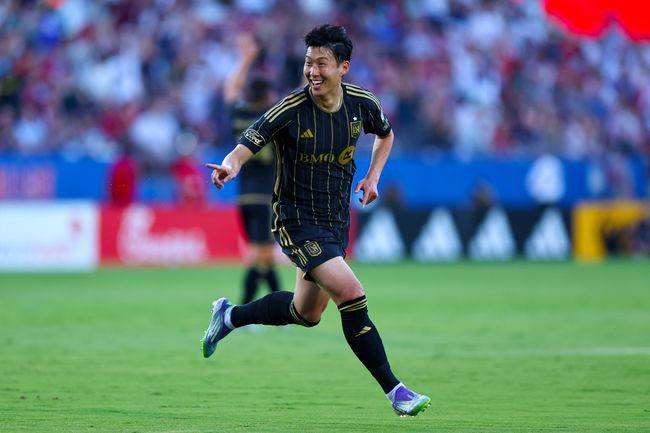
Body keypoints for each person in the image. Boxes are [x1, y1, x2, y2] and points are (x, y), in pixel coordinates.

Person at [202, 24, 430, 417]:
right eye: (308, 63)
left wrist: (373, 176)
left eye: (321, 63)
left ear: (343, 67)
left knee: (305, 314)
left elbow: (386, 134)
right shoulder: (290, 108)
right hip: (295, 220)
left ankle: (230, 316)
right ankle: (397, 392)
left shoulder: (362, 104)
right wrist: (230, 165)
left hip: (335, 221)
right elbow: (249, 141)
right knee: (351, 293)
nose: (312, 71)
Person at [223, 34, 282, 304]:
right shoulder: (272, 118)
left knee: (262, 256)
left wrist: (246, 58)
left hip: (244, 197)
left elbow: (230, 88)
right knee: (262, 256)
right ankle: (241, 312)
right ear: (268, 96)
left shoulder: (240, 114)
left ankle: (280, 309)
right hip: (266, 197)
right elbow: (302, 92)